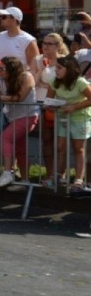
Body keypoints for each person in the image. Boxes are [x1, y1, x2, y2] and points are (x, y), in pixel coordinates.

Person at [0, 56, 38, 187]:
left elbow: (19, 97)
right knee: (20, 149)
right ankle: (25, 181)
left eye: (2, 68)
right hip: (12, 117)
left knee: (5, 138)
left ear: (12, 69)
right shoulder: (0, 80)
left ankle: (7, 172)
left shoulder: (26, 77)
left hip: (28, 116)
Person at [46, 55, 91, 193]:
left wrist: (74, 107)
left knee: (79, 149)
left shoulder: (80, 82)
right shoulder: (55, 81)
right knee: (60, 147)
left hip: (80, 118)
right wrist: (52, 106)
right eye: (56, 68)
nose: (56, 71)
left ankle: (78, 180)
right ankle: (58, 176)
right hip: (62, 117)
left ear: (69, 69)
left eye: (59, 68)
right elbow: (48, 100)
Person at [33, 33, 69, 178]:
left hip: (60, 105)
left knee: (60, 143)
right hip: (42, 104)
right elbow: (32, 83)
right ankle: (49, 175)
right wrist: (41, 69)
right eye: (44, 43)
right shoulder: (38, 60)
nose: (45, 46)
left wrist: (46, 84)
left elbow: (66, 83)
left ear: (58, 46)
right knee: (46, 140)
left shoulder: (65, 61)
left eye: (50, 43)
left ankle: (60, 174)